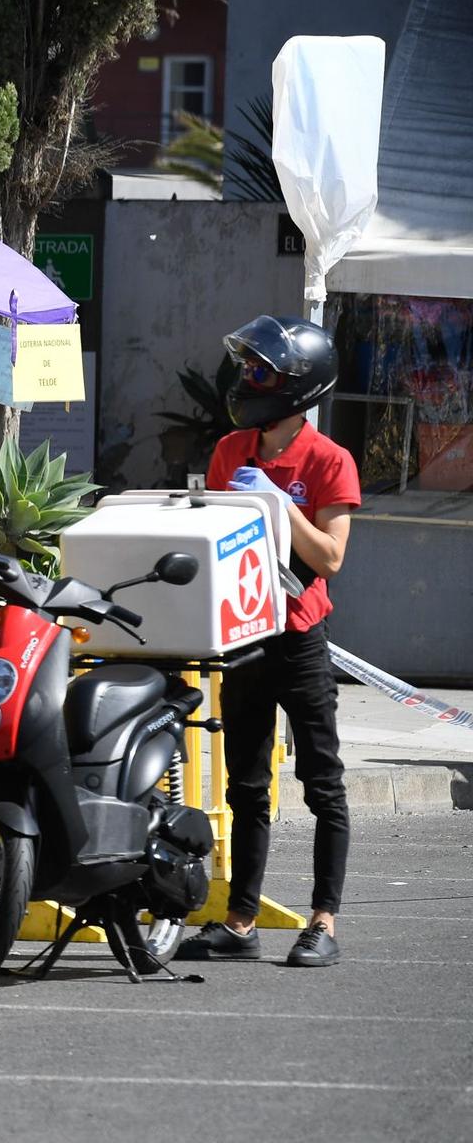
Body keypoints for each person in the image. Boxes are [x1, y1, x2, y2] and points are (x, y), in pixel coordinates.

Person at [178, 315, 358, 969]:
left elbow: (332, 558)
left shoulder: (330, 461)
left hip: (302, 639)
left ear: (299, 385)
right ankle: (240, 919)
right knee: (246, 785)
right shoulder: (231, 451)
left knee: (321, 783)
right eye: (249, 368)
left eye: (262, 371)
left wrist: (280, 508)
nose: (248, 380)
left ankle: (322, 920)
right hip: (245, 636)